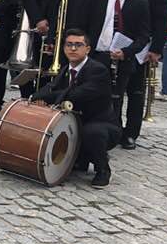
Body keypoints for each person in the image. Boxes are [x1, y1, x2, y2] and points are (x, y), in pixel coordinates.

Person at [31, 30, 120, 186]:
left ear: (87, 49)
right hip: (77, 123)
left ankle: (103, 170)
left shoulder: (98, 70)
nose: (73, 49)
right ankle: (82, 159)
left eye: (78, 45)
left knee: (92, 133)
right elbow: (51, 87)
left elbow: (76, 94)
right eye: (69, 44)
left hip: (102, 125)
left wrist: (48, 98)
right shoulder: (66, 68)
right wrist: (37, 98)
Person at [82, 0, 150, 119]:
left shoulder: (140, 4)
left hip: (122, 59)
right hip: (96, 55)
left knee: (116, 98)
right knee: (90, 94)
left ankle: (113, 130)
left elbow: (144, 35)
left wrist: (127, 52)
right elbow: (84, 24)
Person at [121, 0, 167, 148]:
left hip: (142, 44)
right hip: (118, 41)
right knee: (113, 90)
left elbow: (161, 17)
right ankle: (112, 128)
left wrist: (157, 48)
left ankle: (131, 133)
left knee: (135, 91)